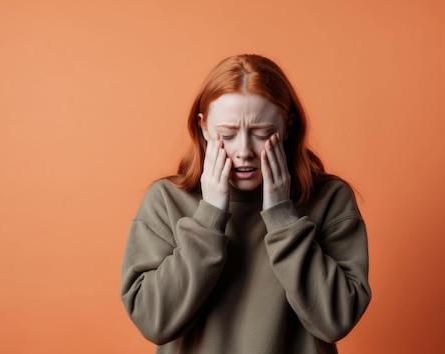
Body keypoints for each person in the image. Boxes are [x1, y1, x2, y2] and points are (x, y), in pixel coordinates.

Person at [120, 54, 371, 354]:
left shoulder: (329, 199)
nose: (243, 151)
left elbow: (336, 320)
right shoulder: (166, 201)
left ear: (288, 127)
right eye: (226, 135)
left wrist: (281, 217)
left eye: (262, 134)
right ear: (202, 128)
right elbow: (154, 322)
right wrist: (209, 218)